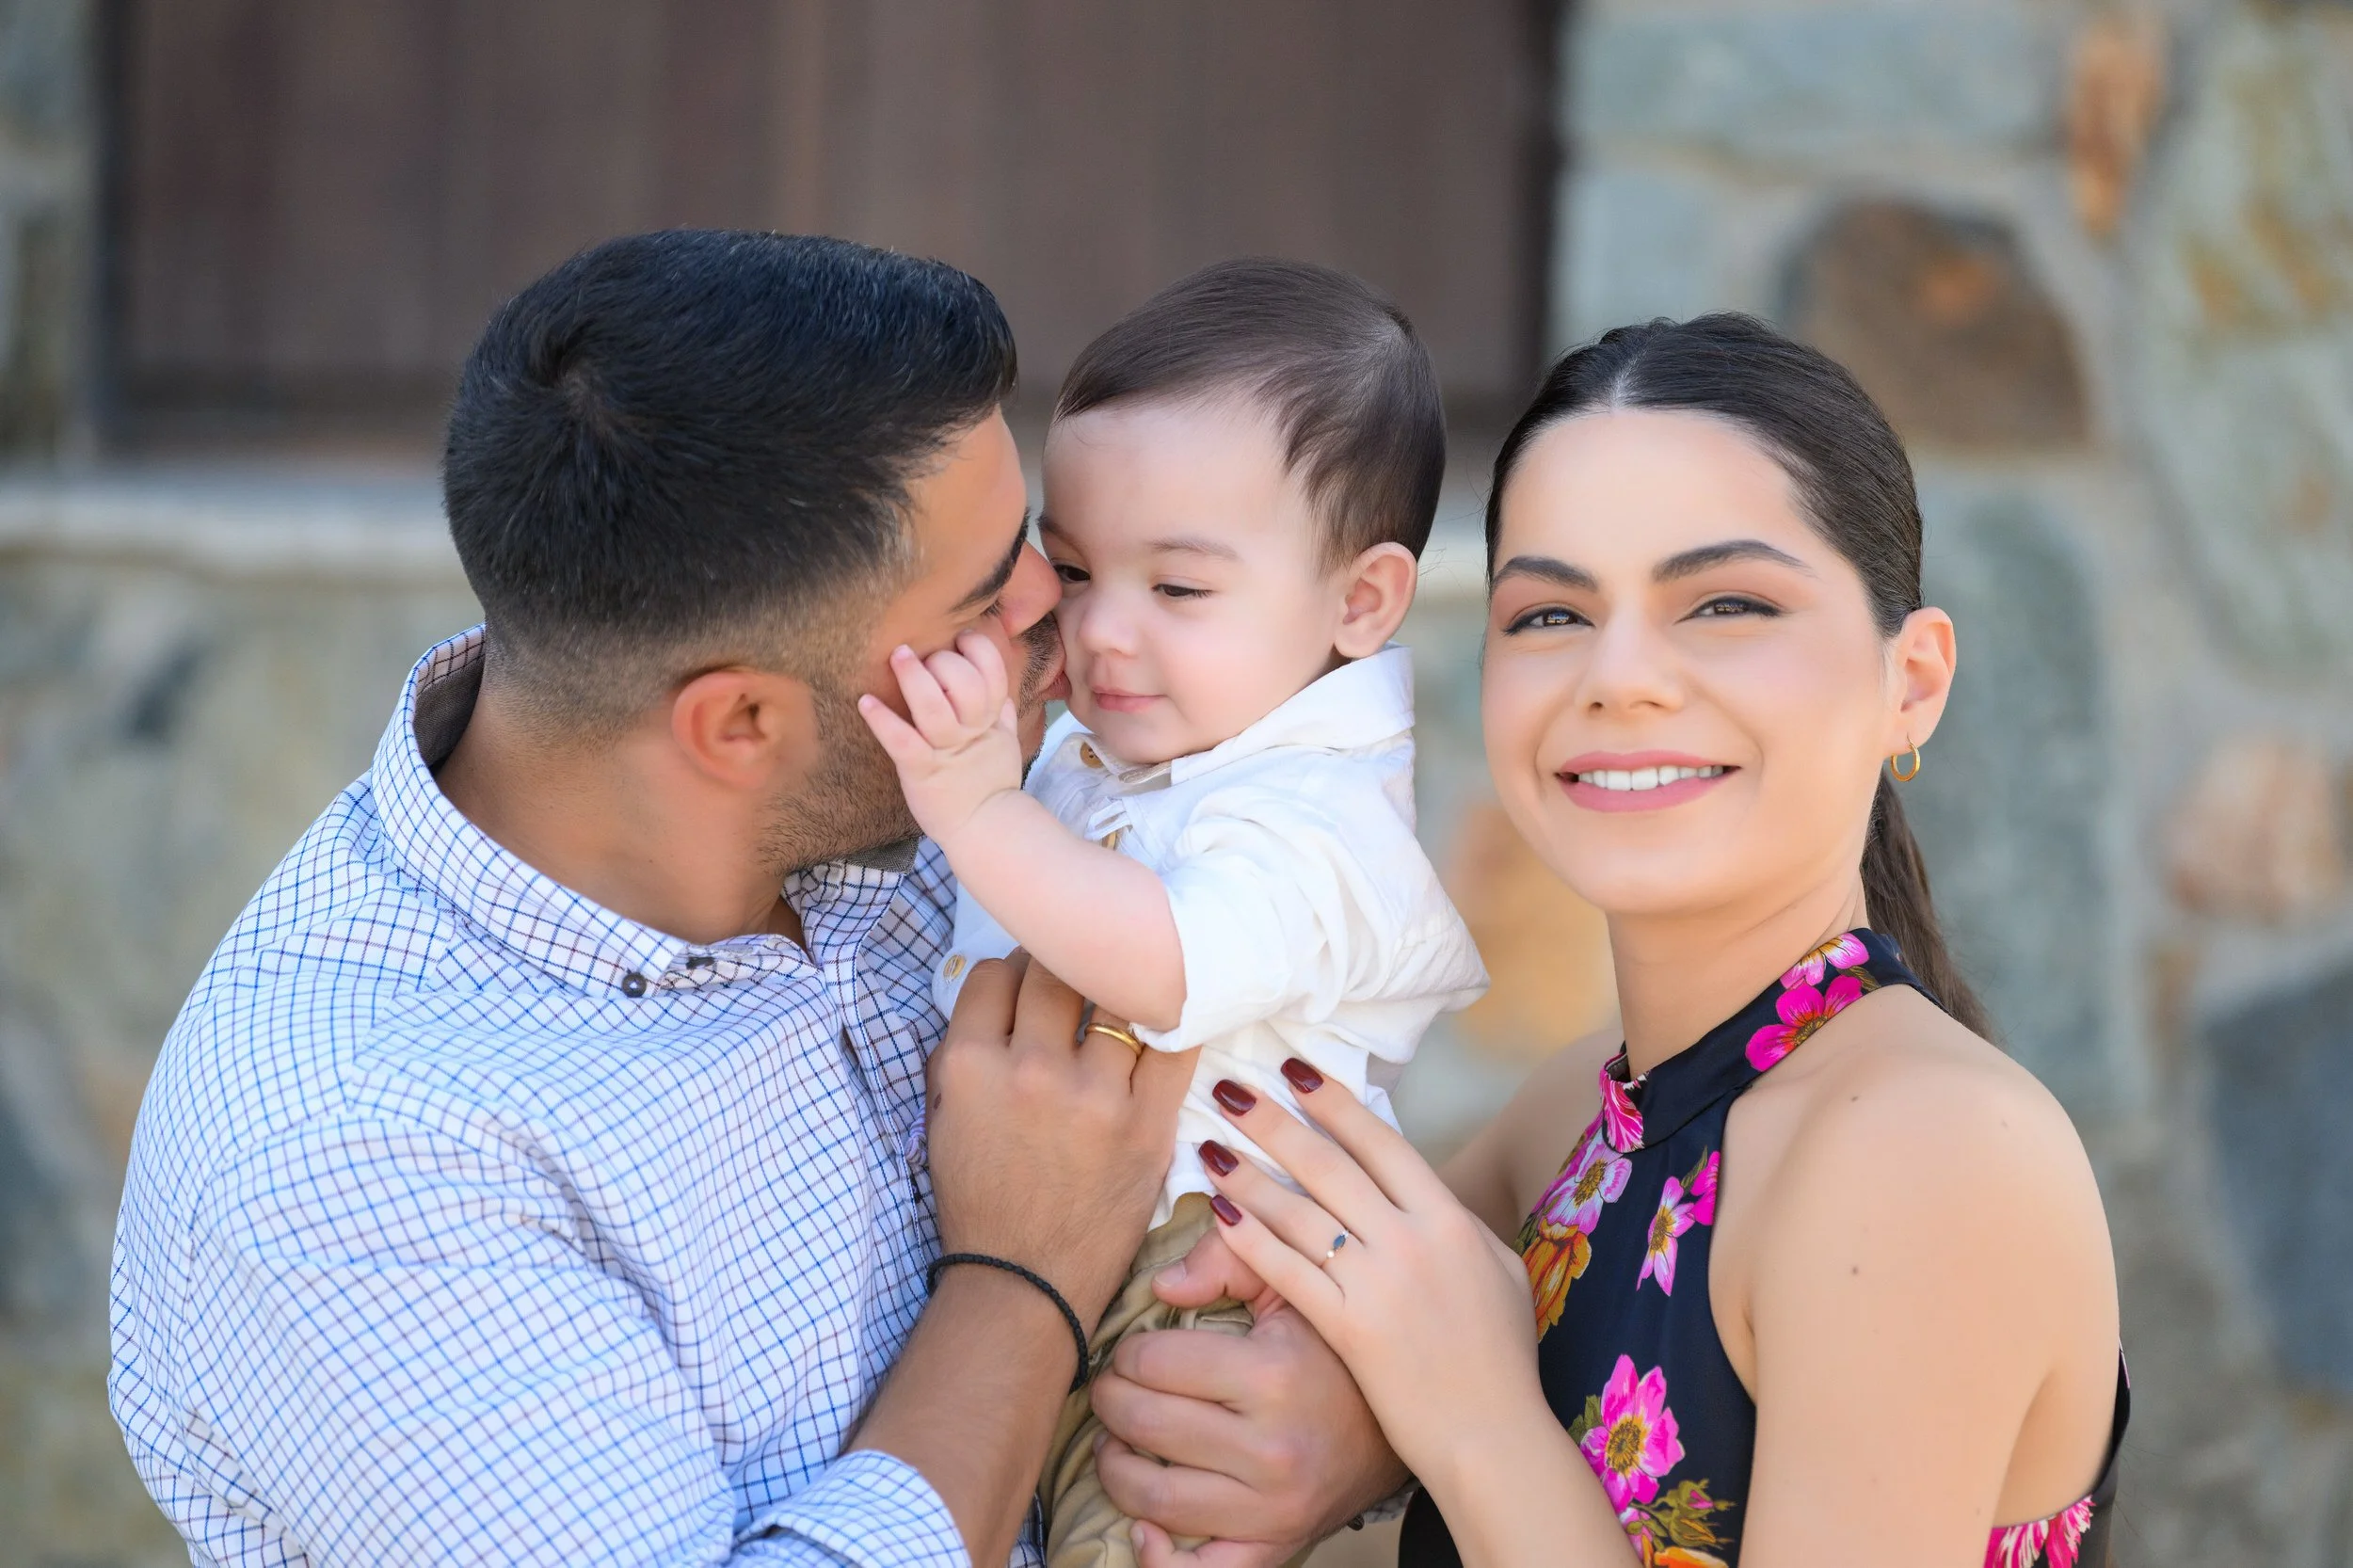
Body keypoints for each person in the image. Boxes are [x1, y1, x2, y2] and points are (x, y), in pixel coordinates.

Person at [107, 231, 1400, 1568]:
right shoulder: (351, 1163)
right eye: (988, 588)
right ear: (738, 724)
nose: (1052, 607)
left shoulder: (942, 796)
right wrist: (1021, 1283)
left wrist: (1355, 1428)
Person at [1164, 315, 2128, 1567]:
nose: (1620, 676)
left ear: (1913, 679)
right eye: (1551, 614)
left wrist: (1467, 1419)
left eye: (1727, 602)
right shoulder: (1569, 1118)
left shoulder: (1928, 1149)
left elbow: (1462, 1398)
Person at [860, 259, 1487, 1565]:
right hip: (1047, 1208)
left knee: (1133, 1536)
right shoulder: (1132, 753)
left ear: (1358, 601)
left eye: (1180, 588)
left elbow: (1165, 960)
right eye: (1078, 569)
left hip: (1198, 1269)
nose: (1103, 633)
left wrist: (978, 811)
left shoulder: (1320, 815)